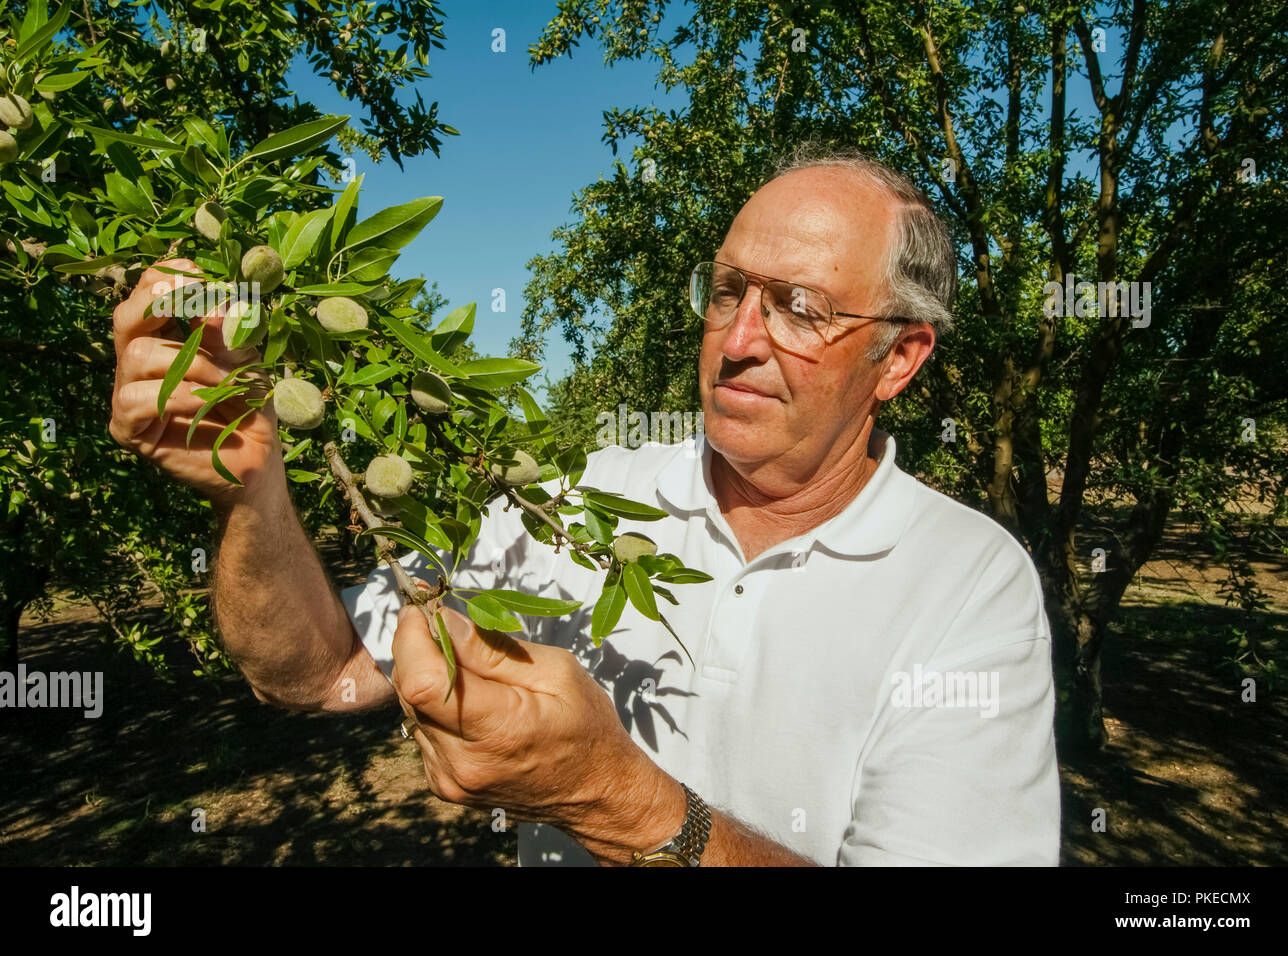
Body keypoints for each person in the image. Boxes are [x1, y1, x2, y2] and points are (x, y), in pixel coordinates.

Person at [108, 146, 1060, 867]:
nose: (737, 339)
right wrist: (252, 495)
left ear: (898, 357)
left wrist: (623, 801)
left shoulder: (968, 586)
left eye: (800, 307)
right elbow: (322, 675)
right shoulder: (576, 504)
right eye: (727, 290)